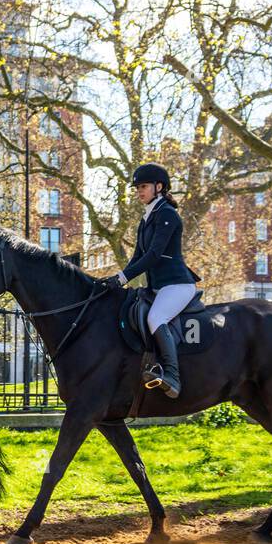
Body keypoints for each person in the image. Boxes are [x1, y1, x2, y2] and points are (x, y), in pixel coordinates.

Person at [105, 163, 201, 398]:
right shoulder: (146, 218)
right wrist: (118, 279)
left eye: (144, 186)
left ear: (159, 187)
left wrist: (123, 278)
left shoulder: (167, 214)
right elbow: (138, 256)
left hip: (177, 285)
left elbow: (153, 255)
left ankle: (172, 376)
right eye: (137, 187)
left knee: (156, 317)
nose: (139, 191)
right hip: (158, 286)